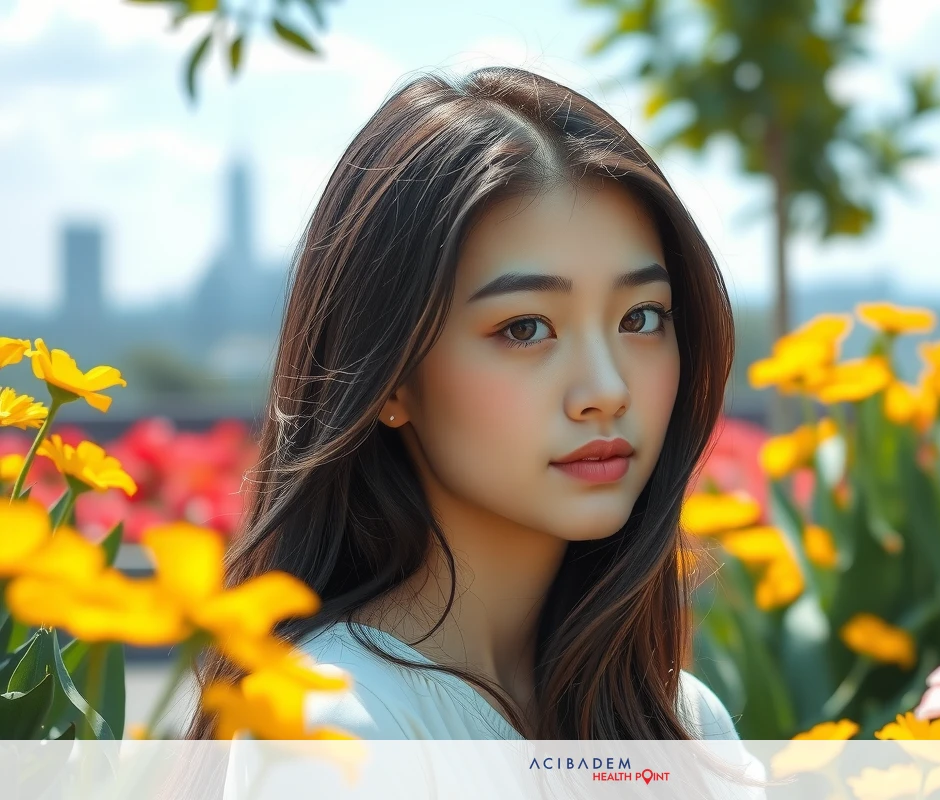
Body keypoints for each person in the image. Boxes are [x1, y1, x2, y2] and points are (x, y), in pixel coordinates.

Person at [182, 65, 757, 757]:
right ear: (390, 380)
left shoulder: (683, 722)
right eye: (524, 329)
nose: (606, 389)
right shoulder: (332, 726)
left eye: (640, 317)